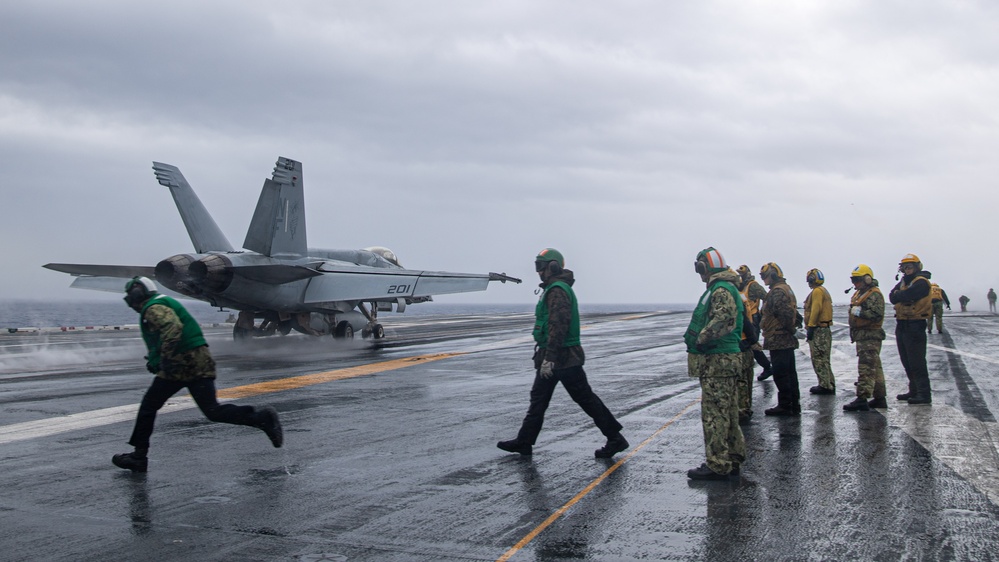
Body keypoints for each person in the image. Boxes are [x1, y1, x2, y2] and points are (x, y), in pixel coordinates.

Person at [112, 277, 283, 473]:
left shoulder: (153, 307)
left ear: (136, 294)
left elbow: (173, 328)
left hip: (180, 364)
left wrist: (165, 360)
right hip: (199, 361)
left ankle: (139, 457)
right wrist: (156, 359)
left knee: (148, 407)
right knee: (213, 411)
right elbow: (167, 336)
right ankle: (261, 418)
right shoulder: (162, 303)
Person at [497, 249, 629, 458]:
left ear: (553, 267)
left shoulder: (557, 290)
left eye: (541, 266)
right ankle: (524, 442)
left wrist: (550, 358)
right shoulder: (553, 289)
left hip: (564, 357)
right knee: (539, 400)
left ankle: (615, 438)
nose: (539, 271)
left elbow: (558, 325)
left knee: (585, 399)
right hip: (555, 355)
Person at [684, 248, 746, 480]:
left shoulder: (720, 290)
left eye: (699, 267)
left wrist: (701, 339)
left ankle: (718, 463)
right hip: (725, 360)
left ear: (705, 267)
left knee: (714, 414)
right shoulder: (724, 288)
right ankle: (732, 457)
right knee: (727, 411)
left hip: (717, 360)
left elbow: (724, 319)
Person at [888, 254, 933, 405]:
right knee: (906, 360)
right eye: (905, 267)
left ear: (917, 267)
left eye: (910, 267)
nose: (907, 270)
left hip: (915, 324)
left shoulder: (922, 282)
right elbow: (892, 297)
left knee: (917, 361)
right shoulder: (903, 282)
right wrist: (902, 296)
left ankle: (924, 394)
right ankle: (914, 390)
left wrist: (900, 295)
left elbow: (909, 294)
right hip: (902, 324)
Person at [843, 265, 887, 412]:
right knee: (875, 368)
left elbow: (877, 314)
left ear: (867, 279)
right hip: (862, 336)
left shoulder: (874, 294)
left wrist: (859, 312)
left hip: (870, 336)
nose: (855, 283)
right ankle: (880, 398)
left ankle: (862, 398)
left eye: (857, 280)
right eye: (853, 280)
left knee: (866, 368)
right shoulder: (860, 293)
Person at [759, 262, 801, 416]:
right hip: (784, 338)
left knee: (781, 373)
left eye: (765, 276)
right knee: (790, 373)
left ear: (774, 275)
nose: (763, 279)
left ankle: (785, 405)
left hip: (779, 338)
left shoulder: (777, 291)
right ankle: (793, 403)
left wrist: (790, 329)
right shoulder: (785, 288)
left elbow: (783, 314)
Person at [736, 265, 773, 381]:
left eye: (743, 274)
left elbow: (766, 297)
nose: (741, 277)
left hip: (753, 318)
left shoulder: (753, 285)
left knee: (752, 345)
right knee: (749, 345)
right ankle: (766, 367)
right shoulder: (740, 288)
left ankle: (767, 366)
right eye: (739, 274)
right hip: (746, 318)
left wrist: (763, 313)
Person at [803, 268, 835, 395]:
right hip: (824, 329)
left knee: (819, 358)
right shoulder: (823, 290)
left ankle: (825, 385)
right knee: (824, 359)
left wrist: (811, 326)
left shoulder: (817, 291)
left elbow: (816, 308)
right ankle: (829, 383)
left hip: (819, 330)